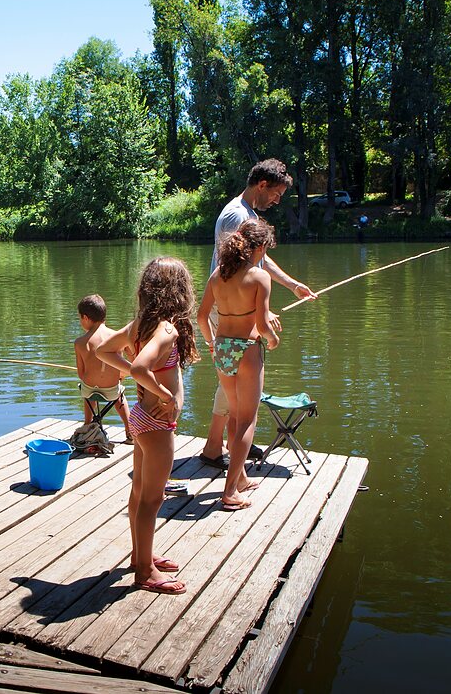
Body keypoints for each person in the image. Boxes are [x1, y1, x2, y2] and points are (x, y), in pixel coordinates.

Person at [199, 159, 316, 470]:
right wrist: (258, 309)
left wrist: (291, 284)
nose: (277, 200)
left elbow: (257, 258)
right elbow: (234, 267)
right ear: (262, 184)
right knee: (237, 387)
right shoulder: (237, 215)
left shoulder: (248, 215)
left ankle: (221, 446)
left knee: (231, 381)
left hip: (235, 308)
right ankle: (223, 446)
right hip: (231, 309)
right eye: (276, 193)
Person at [95, 257, 200, 595]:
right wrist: (164, 392)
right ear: (180, 292)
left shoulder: (141, 324)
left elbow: (104, 351)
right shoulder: (166, 329)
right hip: (155, 423)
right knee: (153, 499)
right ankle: (145, 571)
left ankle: (140, 555)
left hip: (142, 417)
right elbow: (141, 368)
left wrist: (137, 376)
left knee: (140, 492)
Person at [197, 219, 280, 510]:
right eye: (265, 249)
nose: (264, 254)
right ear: (258, 247)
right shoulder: (260, 277)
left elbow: (201, 316)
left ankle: (241, 477)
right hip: (247, 350)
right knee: (247, 420)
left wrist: (211, 343)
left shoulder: (218, 274)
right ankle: (230, 491)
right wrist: (272, 340)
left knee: (234, 415)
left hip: (222, 349)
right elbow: (262, 324)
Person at [73, 294, 130, 437]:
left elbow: (81, 374)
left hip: (89, 390)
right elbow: (124, 368)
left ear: (86, 318)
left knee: (87, 389)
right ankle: (129, 430)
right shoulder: (117, 337)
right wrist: (119, 377)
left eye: (80, 318)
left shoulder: (80, 342)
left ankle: (87, 424)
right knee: (119, 395)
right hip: (112, 390)